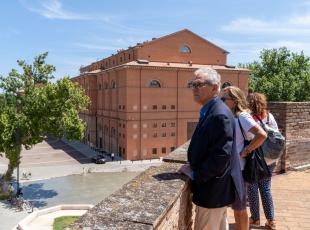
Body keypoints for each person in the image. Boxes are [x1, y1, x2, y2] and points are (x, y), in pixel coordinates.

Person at [178, 67, 244, 230]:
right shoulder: (212, 111)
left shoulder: (219, 114)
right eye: (192, 84)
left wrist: (195, 174)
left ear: (214, 87)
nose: (194, 88)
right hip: (215, 190)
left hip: (213, 191)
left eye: (198, 84)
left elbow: (221, 155)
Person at [220, 86, 267, 230]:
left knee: (240, 208)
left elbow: (262, 135)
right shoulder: (231, 116)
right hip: (232, 168)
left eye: (223, 99)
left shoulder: (242, 116)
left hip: (239, 168)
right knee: (236, 207)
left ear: (234, 101)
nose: (220, 102)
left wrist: (245, 151)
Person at [247, 92, 278, 230]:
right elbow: (277, 134)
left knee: (252, 188)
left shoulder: (249, 119)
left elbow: (248, 139)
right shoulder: (269, 116)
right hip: (270, 159)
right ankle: (271, 221)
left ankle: (255, 219)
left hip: (255, 160)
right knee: (266, 189)